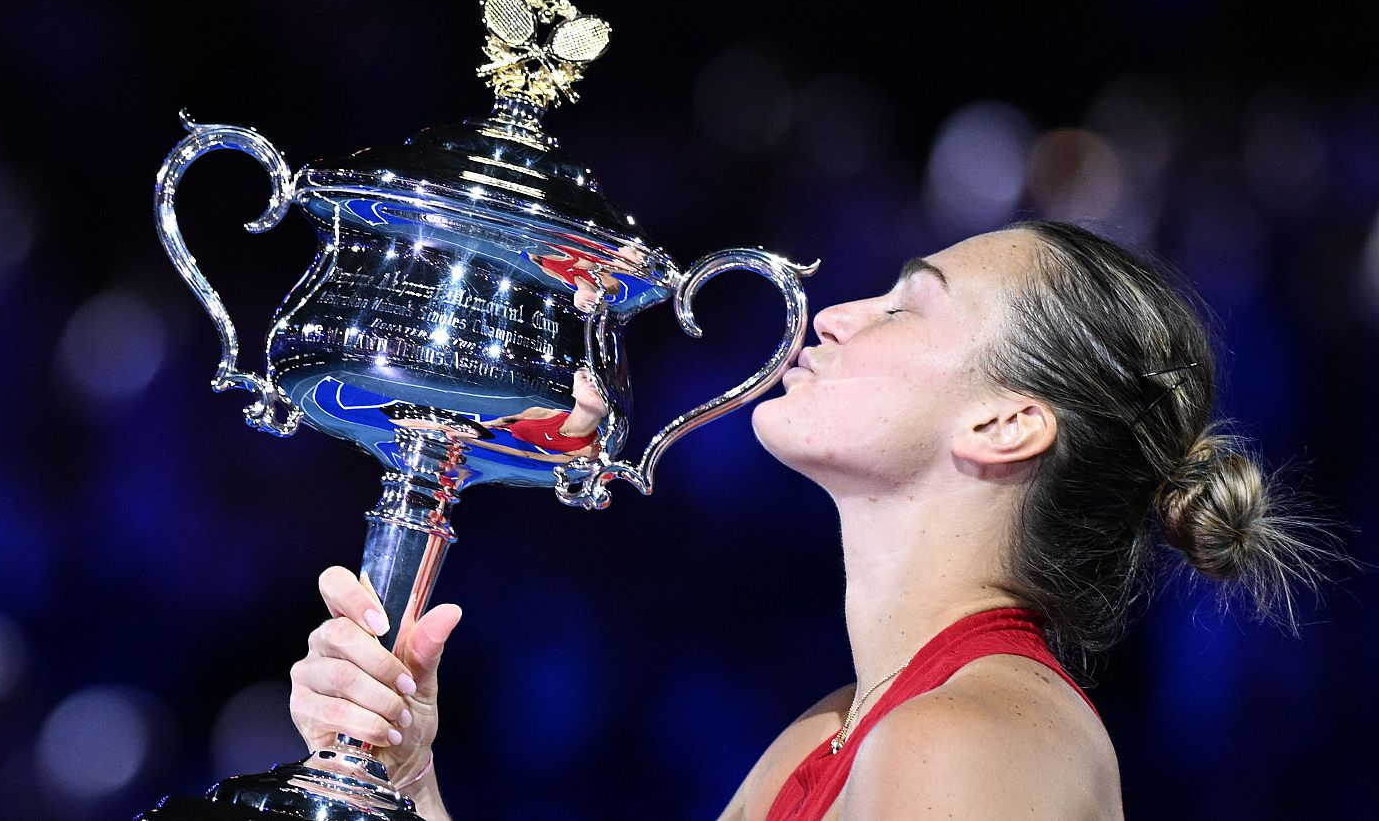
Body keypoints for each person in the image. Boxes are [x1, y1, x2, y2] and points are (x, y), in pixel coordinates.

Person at [288, 221, 1333, 820]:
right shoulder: (835, 730)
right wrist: (402, 782)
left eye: (904, 304)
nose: (832, 314)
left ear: (1005, 422)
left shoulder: (967, 742)